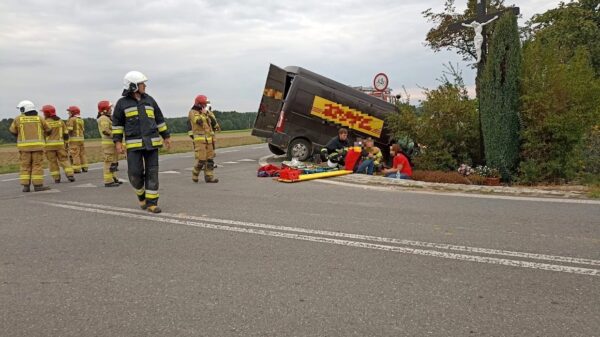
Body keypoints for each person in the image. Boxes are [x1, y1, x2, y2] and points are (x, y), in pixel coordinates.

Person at [113, 71, 171, 213]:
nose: (144, 86)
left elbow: (159, 119)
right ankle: (141, 195)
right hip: (133, 146)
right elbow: (117, 125)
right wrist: (118, 142)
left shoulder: (150, 100)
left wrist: (166, 136)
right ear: (133, 86)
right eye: (141, 84)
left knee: (152, 173)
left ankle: (152, 203)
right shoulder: (122, 104)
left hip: (151, 144)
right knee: (135, 174)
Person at [9, 100, 52, 192]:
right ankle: (38, 186)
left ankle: (26, 187)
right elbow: (49, 130)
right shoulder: (40, 118)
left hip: (24, 148)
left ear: (25, 108)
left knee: (25, 166)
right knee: (37, 166)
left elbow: (12, 131)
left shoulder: (18, 119)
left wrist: (19, 136)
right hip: (38, 147)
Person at [188, 94, 219, 183]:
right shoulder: (193, 112)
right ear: (199, 104)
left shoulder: (207, 112)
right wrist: (204, 114)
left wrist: (208, 114)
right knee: (201, 160)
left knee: (210, 159)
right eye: (204, 104)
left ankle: (209, 177)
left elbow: (214, 124)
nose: (205, 106)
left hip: (209, 140)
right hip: (199, 140)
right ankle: (195, 173)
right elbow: (198, 121)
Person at [41, 104, 75, 183]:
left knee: (52, 162)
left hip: (49, 146)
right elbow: (66, 133)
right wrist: (66, 143)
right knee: (64, 160)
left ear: (46, 113)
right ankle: (70, 174)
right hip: (60, 145)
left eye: (44, 113)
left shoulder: (45, 122)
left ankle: (56, 178)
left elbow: (42, 134)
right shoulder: (60, 121)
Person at [97, 100, 122, 187]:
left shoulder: (108, 118)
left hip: (112, 143)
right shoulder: (104, 118)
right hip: (108, 144)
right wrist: (115, 136)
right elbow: (105, 130)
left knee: (113, 162)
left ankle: (113, 177)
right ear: (104, 109)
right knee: (108, 162)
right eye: (109, 108)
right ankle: (108, 181)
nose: (111, 110)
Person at [66, 105, 88, 173]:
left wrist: (65, 134)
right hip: (81, 139)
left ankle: (77, 169)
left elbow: (69, 129)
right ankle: (85, 167)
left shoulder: (72, 119)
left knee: (75, 154)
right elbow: (83, 130)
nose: (68, 113)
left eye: (69, 112)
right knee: (82, 154)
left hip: (74, 140)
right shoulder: (81, 120)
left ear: (73, 112)